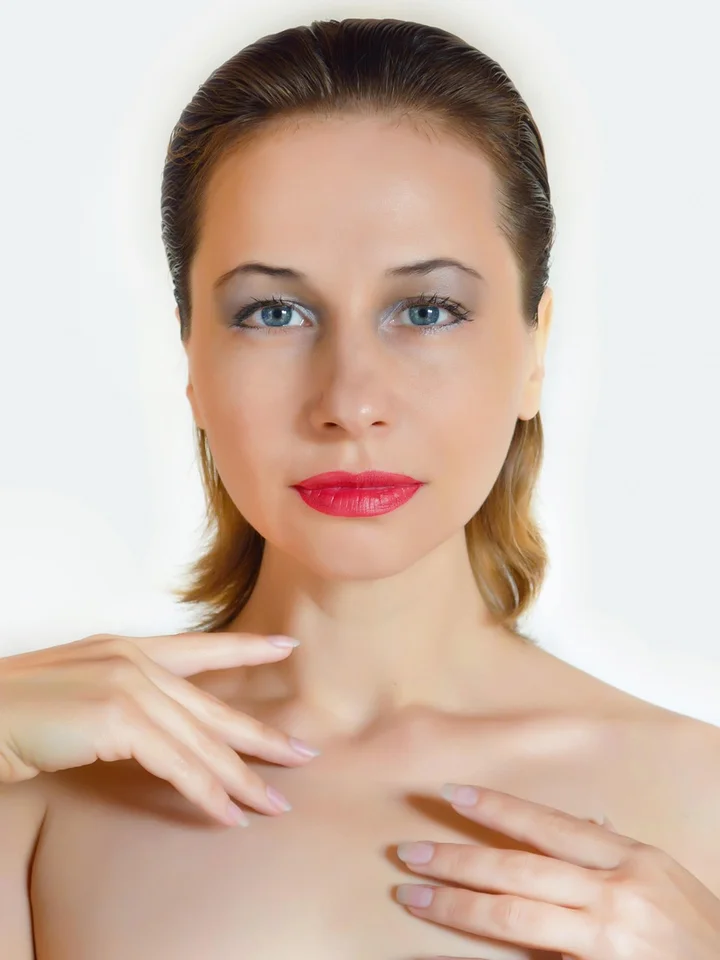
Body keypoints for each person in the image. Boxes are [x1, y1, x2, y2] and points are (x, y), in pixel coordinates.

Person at [1, 15, 719, 960]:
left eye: (426, 309)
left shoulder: (703, 802)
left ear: (536, 346)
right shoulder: (42, 790)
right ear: (191, 359)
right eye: (273, 311)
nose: (349, 402)